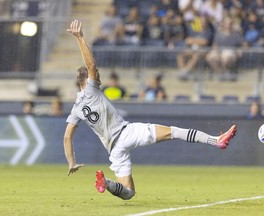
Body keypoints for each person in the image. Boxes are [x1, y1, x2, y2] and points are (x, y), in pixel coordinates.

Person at [64, 19, 237, 200]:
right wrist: (80, 38)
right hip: (127, 132)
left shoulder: (76, 108)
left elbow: (67, 136)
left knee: (128, 194)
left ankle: (106, 183)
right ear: (87, 80)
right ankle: (216, 140)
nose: (98, 77)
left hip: (114, 148)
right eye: (96, 75)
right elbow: (91, 64)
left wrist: (71, 162)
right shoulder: (91, 89)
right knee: (173, 132)